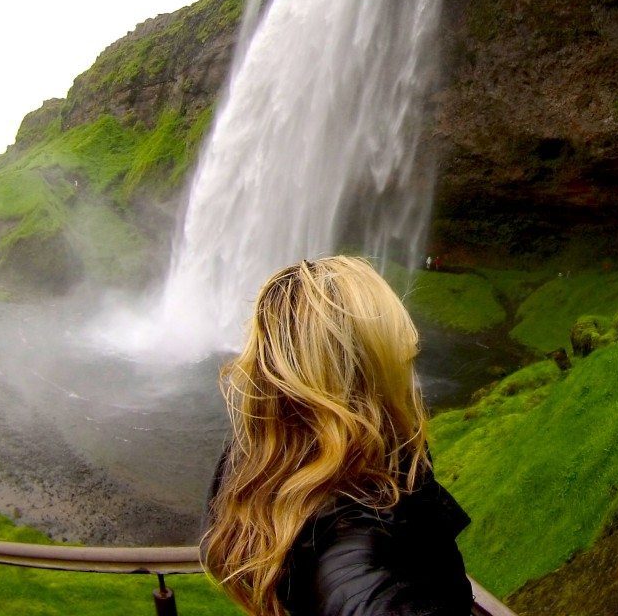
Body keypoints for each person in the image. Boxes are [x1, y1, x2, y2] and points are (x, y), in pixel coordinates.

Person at [201, 256, 474, 616]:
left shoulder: (264, 471)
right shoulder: (359, 557)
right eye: (400, 352)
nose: (410, 366)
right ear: (369, 372)